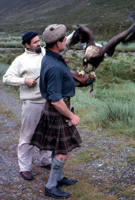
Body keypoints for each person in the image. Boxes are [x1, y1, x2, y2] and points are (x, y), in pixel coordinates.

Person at [30, 24, 82, 199]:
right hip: (58, 109)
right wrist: (72, 116)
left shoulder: (51, 57)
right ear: (58, 43)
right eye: (64, 39)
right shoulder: (54, 66)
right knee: (64, 150)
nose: (66, 41)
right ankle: (51, 186)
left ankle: (58, 178)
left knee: (58, 147)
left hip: (56, 108)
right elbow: (55, 100)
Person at [3, 31, 52, 181]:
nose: (39, 44)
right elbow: (6, 78)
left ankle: (45, 160)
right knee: (28, 136)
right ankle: (24, 167)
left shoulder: (45, 52)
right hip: (32, 103)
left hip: (49, 101)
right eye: (35, 42)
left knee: (47, 133)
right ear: (27, 45)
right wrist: (24, 81)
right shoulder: (20, 60)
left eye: (39, 41)